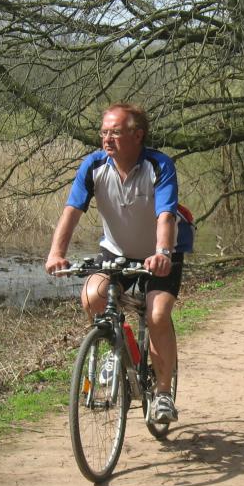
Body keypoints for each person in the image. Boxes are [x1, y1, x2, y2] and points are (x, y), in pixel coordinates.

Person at [45, 103, 183, 423]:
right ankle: (120, 347)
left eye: (116, 132)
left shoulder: (158, 165)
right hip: (115, 252)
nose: (107, 138)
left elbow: (165, 215)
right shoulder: (94, 166)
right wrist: (56, 253)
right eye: (104, 132)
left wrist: (163, 252)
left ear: (138, 135)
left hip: (159, 256)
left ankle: (163, 393)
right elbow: (71, 211)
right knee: (92, 296)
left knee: (158, 315)